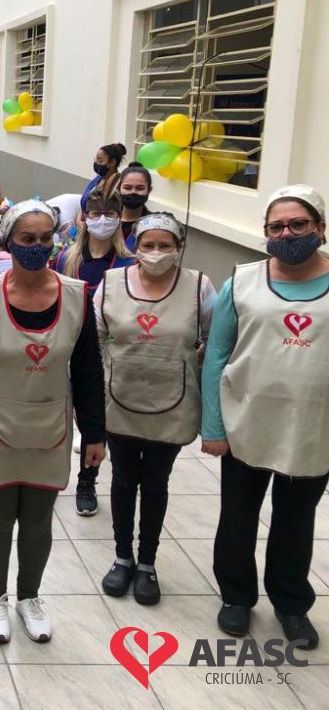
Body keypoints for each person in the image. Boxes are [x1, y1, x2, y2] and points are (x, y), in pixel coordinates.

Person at [0, 200, 106, 644]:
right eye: (27, 239)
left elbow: (89, 371)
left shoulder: (76, 297)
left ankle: (29, 597)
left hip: (51, 424)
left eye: (45, 238)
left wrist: (95, 432)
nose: (37, 246)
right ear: (8, 242)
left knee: (38, 519)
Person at [202, 184, 329, 649]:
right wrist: (213, 426)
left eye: (298, 224)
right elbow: (216, 355)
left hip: (313, 428)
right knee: (237, 515)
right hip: (246, 423)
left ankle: (292, 604)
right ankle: (236, 597)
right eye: (276, 227)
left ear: (320, 227)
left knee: (296, 520)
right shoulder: (243, 282)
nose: (287, 233)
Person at [95, 213, 215, 605]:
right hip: (120, 398)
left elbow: (215, 340)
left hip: (173, 403)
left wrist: (191, 364)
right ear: (136, 246)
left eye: (165, 245)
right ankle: (122, 557)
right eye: (148, 245)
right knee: (123, 479)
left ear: (179, 247)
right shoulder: (112, 284)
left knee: (156, 483)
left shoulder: (199, 286)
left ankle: (147, 562)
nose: (156, 253)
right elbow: (94, 336)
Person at [54, 190, 134, 516]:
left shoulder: (129, 264)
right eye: (95, 213)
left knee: (94, 419)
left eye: (110, 213)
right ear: (83, 217)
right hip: (64, 346)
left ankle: (86, 482)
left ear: (119, 217)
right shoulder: (65, 258)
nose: (102, 220)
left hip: (106, 353)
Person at [80, 142, 126, 211]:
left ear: (112, 163)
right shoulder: (98, 178)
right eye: (96, 160)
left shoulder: (118, 183)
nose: (96, 163)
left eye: (100, 161)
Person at [116, 164, 152, 249]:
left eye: (140, 188)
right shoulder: (106, 220)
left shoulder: (153, 225)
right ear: (119, 188)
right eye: (127, 187)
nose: (133, 192)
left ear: (149, 190)